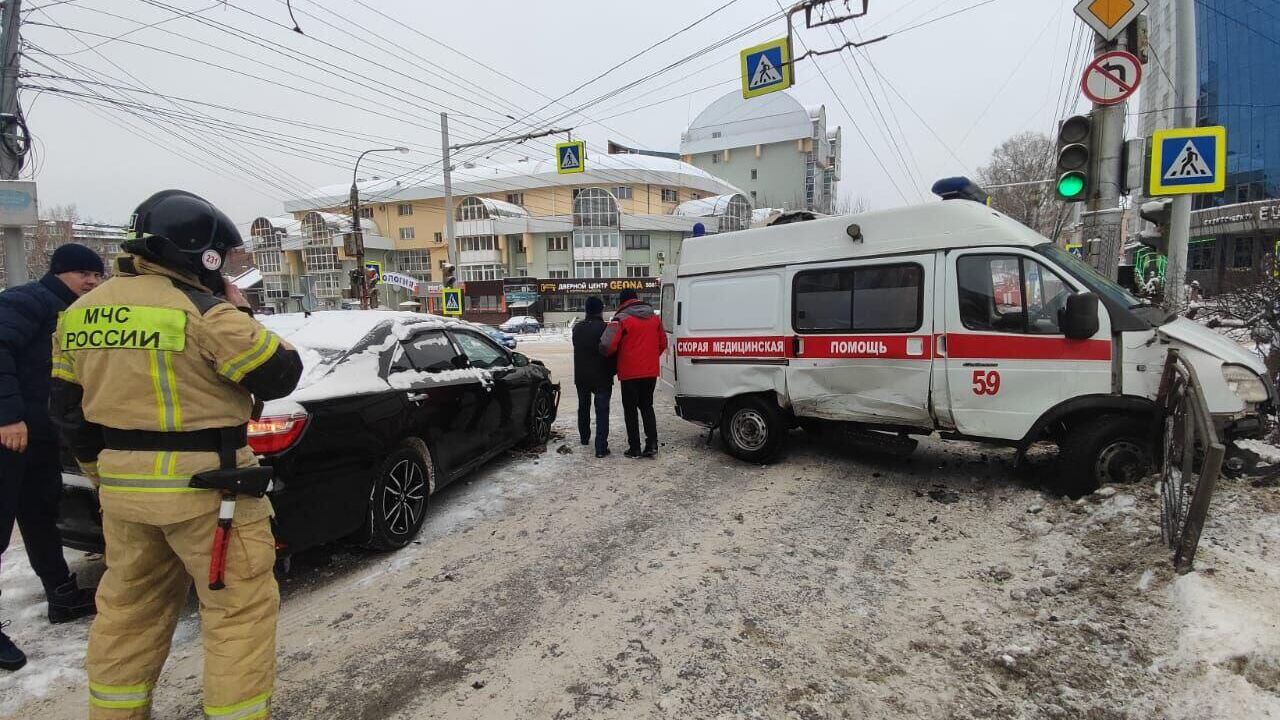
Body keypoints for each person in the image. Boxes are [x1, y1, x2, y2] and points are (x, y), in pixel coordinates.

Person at [50, 190, 302, 719]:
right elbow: (280, 373)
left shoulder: (79, 313)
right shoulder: (206, 310)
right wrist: (242, 309)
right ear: (200, 253)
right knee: (237, 615)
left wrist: (103, 475)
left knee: (127, 613)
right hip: (211, 494)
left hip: (124, 493)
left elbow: (67, 410)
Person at [0, 244, 104, 671]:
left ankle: (61, 595)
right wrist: (7, 417)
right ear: (61, 273)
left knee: (41, 515)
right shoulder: (27, 300)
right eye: (85, 275)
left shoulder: (74, 311)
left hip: (41, 439)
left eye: (97, 277)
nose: (92, 283)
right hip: (9, 437)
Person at [600, 288, 667, 459]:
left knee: (630, 410)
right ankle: (652, 444)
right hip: (650, 372)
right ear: (636, 299)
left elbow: (607, 346)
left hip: (630, 372)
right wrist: (650, 358)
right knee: (647, 406)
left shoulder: (621, 319)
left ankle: (635, 448)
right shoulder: (654, 318)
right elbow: (662, 342)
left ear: (622, 302)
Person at [572, 296, 614, 458]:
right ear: (600, 310)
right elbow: (610, 351)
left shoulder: (577, 328)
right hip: (602, 376)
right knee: (602, 410)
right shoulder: (605, 328)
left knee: (583, 406)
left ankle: (584, 437)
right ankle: (601, 448)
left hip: (581, 376)